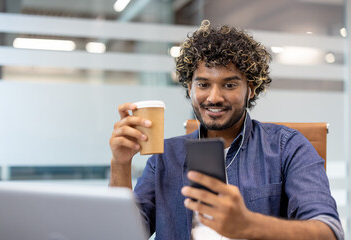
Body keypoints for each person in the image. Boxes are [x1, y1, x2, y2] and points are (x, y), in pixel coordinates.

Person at [109, 20, 344, 240]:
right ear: (189, 87)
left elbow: (329, 231)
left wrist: (248, 224)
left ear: (250, 89)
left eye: (229, 85)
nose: (214, 97)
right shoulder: (163, 158)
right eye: (203, 84)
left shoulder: (286, 147)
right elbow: (122, 236)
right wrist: (120, 163)